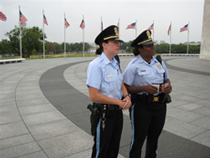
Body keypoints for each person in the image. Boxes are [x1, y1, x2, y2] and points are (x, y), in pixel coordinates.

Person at [123, 30, 172, 158]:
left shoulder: (159, 61)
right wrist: (143, 88)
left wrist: (167, 87)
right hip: (141, 106)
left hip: (160, 106)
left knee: (154, 138)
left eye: (152, 45)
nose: (152, 48)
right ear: (140, 49)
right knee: (138, 139)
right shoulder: (133, 66)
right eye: (149, 46)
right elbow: (126, 88)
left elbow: (167, 79)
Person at [86, 25, 132, 158]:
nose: (118, 45)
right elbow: (93, 96)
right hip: (104, 114)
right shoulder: (96, 65)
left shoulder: (115, 62)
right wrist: (117, 101)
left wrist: (126, 95)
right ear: (104, 44)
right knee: (102, 150)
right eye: (115, 42)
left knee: (114, 149)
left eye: (119, 42)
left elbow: (120, 82)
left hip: (117, 113)